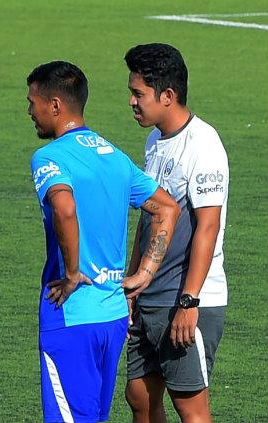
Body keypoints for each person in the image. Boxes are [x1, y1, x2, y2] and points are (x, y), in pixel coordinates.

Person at [26, 61, 180, 423]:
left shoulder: (49, 157)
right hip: (112, 316)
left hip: (72, 315)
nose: (29, 110)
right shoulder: (115, 157)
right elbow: (166, 209)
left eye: (32, 101)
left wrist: (73, 272)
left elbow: (64, 208)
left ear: (55, 106)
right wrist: (145, 273)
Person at [123, 43, 229, 423]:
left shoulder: (203, 145)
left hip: (185, 299)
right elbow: (148, 218)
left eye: (138, 94)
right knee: (139, 396)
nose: (132, 103)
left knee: (190, 408)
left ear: (167, 96)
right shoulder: (155, 141)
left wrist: (189, 302)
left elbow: (208, 227)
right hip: (151, 294)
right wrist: (133, 280)